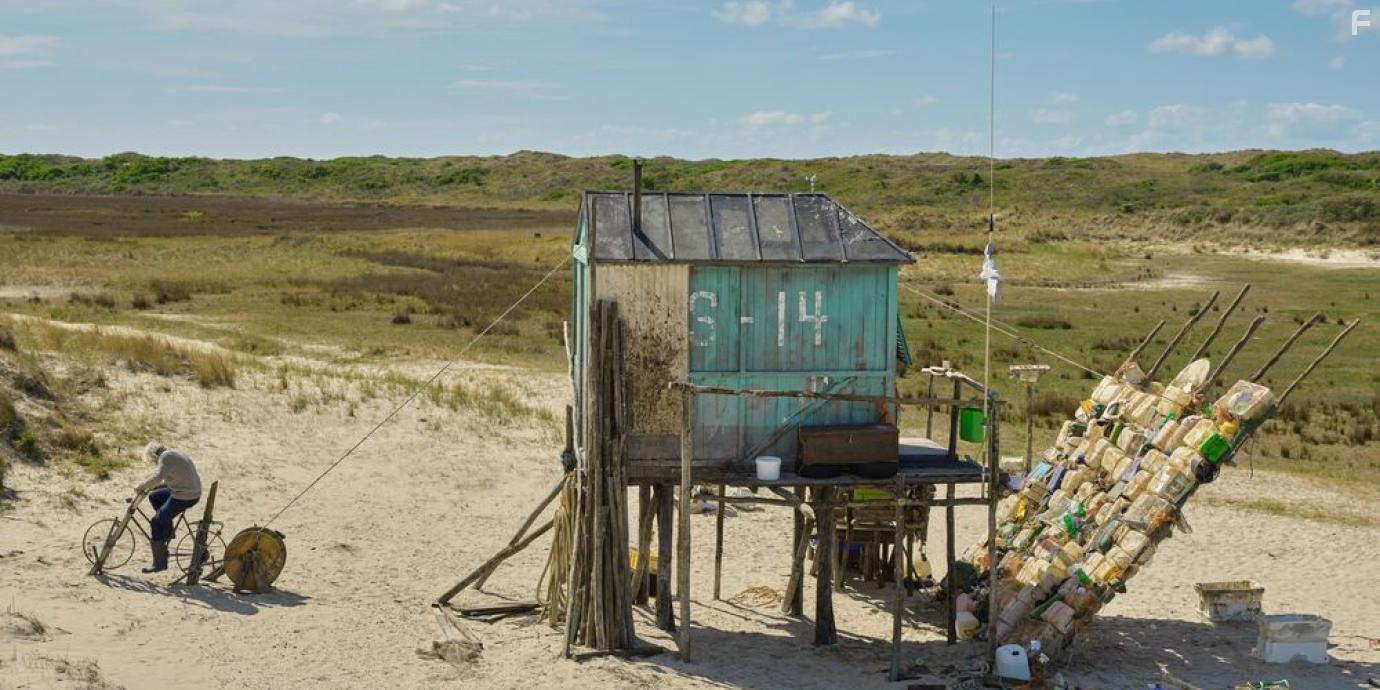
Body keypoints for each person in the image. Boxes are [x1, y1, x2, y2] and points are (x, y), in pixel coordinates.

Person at [135, 442, 202, 573]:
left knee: (155, 521)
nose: (155, 462)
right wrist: (152, 487)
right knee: (155, 496)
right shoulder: (173, 453)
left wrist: (142, 486)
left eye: (153, 460)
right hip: (190, 490)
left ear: (154, 455)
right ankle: (167, 532)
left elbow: (158, 477)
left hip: (185, 496)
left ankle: (159, 563)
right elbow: (170, 479)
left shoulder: (165, 458)